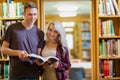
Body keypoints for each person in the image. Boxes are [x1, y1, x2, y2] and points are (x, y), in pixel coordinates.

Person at [1, 1, 44, 80]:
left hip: (34, 75)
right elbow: (3, 49)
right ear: (23, 14)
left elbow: (38, 55)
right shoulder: (12, 28)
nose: (33, 17)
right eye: (30, 14)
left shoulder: (40, 33)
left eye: (35, 14)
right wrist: (18, 53)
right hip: (16, 75)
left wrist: (42, 61)